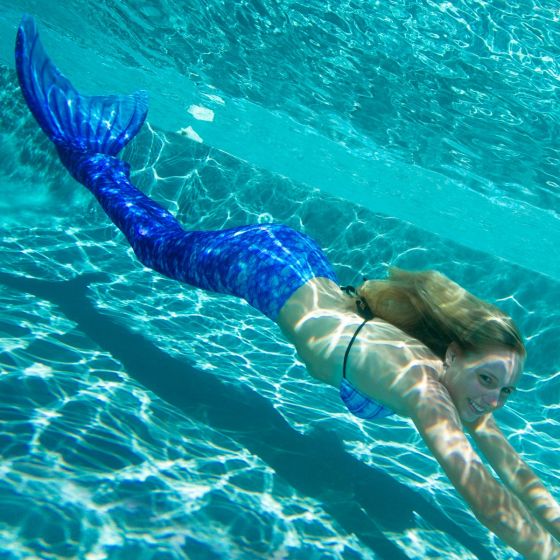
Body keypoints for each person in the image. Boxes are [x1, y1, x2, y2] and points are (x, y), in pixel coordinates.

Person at [15, 15, 560, 559]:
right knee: (158, 248)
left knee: (169, 244)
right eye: (489, 379)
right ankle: (92, 152)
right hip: (270, 268)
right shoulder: (424, 389)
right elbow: (486, 497)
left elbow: (515, 473)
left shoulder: (460, 387)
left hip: (303, 263)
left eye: (504, 391)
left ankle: (98, 160)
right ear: (455, 354)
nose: (492, 399)